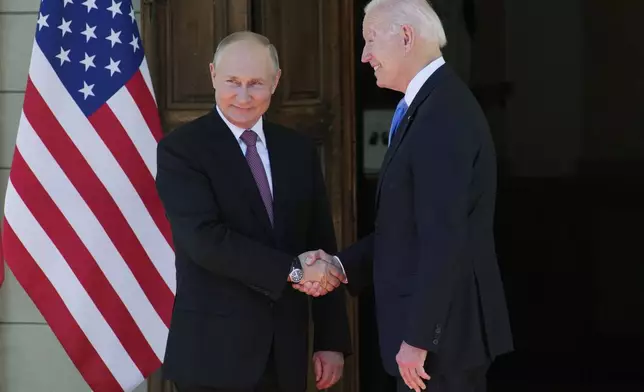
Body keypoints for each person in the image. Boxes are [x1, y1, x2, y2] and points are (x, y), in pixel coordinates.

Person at [295, 0, 513, 391]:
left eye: (371, 40)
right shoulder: (426, 105)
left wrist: (418, 339)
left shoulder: (442, 113)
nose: (364, 56)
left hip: (441, 346)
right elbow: (408, 228)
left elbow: (444, 236)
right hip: (435, 343)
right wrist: (341, 266)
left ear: (407, 36)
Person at [155, 31, 351, 392]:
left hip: (286, 352)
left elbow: (321, 240)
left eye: (256, 84)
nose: (243, 97)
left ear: (276, 82)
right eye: (233, 82)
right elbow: (205, 240)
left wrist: (331, 339)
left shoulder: (298, 150)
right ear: (213, 74)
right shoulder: (181, 150)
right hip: (213, 358)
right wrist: (291, 271)